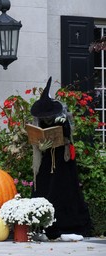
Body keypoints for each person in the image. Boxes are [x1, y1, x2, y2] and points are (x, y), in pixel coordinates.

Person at [29, 77, 92, 241]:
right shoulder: (40, 121)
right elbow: (36, 138)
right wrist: (40, 146)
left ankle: (66, 225)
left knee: (62, 191)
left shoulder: (62, 117)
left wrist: (64, 126)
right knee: (43, 189)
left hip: (62, 163)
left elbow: (68, 137)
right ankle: (42, 224)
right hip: (46, 162)